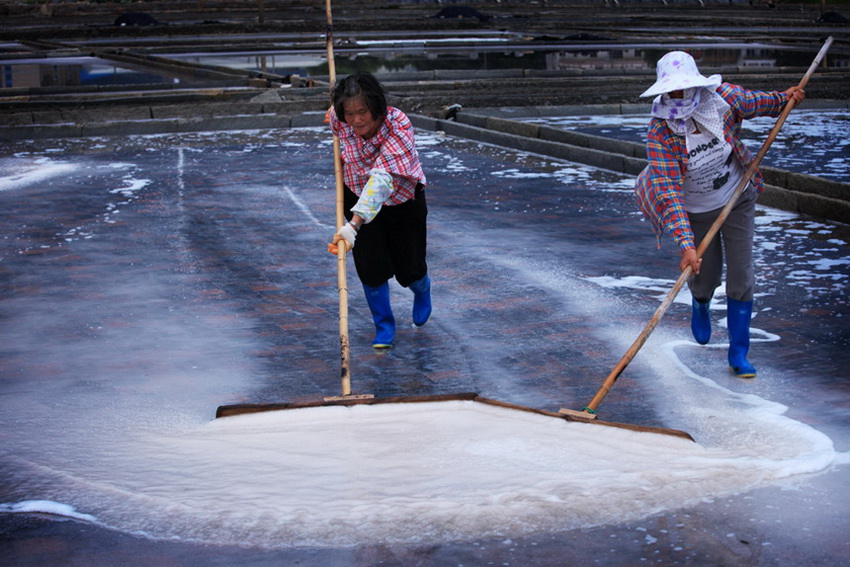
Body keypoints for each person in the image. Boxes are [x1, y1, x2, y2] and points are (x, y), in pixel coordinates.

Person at [634, 51, 805, 378]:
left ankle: (739, 354)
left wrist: (786, 99)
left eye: (685, 88)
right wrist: (686, 245)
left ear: (697, 84)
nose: (679, 95)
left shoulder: (723, 99)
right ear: (663, 91)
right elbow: (669, 192)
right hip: (696, 208)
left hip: (737, 195)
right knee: (707, 275)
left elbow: (758, 103)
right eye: (672, 90)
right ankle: (700, 302)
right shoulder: (661, 131)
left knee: (741, 274)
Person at [326, 72, 431, 350]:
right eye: (350, 113)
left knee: (409, 266)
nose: (357, 120)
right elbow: (336, 115)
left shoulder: (398, 125)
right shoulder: (340, 119)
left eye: (363, 111)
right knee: (370, 267)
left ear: (377, 106)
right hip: (357, 192)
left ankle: (422, 289)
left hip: (401, 200)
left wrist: (352, 226)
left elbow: (382, 180)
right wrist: (334, 110)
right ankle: (384, 325)